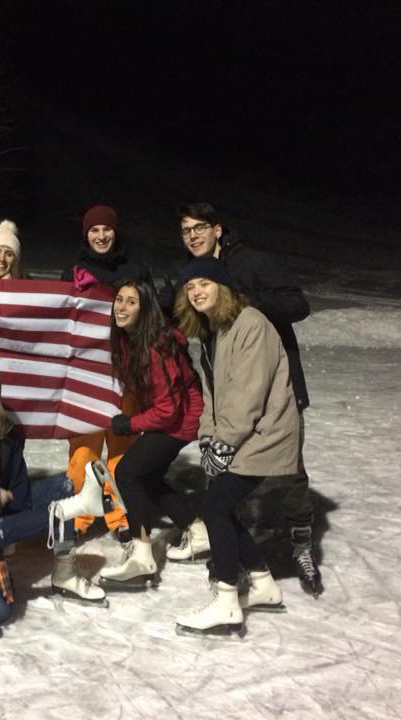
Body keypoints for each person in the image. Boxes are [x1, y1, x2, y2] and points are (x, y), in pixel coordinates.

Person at [162, 202, 322, 597]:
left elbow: (298, 304)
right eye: (186, 230)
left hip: (276, 389)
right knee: (227, 482)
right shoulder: (195, 278)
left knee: (289, 474)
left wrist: (246, 301)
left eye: (200, 227)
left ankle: (301, 546)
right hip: (233, 397)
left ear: (218, 229)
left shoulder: (250, 262)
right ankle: (237, 555)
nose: (193, 236)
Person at [173, 258, 298, 634]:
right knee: (221, 508)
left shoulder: (251, 325)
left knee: (215, 505)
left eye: (204, 284)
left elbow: (248, 397)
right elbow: (213, 396)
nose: (196, 292)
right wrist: (210, 437)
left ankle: (227, 600)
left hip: (265, 434)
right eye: (190, 287)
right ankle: (263, 585)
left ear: (223, 287)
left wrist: (224, 443)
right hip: (242, 434)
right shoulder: (215, 333)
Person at [0, 362, 111, 616]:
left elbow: (19, 487)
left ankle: (65, 572)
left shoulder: (8, 436)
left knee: (63, 485)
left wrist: (16, 512)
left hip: (0, 514)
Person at [98, 273, 203, 586]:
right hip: (176, 416)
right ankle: (197, 530)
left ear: (145, 310)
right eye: (119, 300)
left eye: (132, 302)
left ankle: (142, 557)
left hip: (181, 420)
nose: (122, 307)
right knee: (148, 476)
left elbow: (167, 410)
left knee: (127, 472)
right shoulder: (129, 339)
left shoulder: (155, 347)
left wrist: (129, 424)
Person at [59, 205, 136, 543]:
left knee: (122, 452)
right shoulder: (73, 270)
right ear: (86, 234)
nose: (101, 236)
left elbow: (149, 318)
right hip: (84, 376)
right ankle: (80, 518)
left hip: (127, 374)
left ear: (116, 233)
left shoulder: (135, 270)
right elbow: (58, 321)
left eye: (107, 229)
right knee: (83, 454)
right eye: (94, 230)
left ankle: (121, 515)